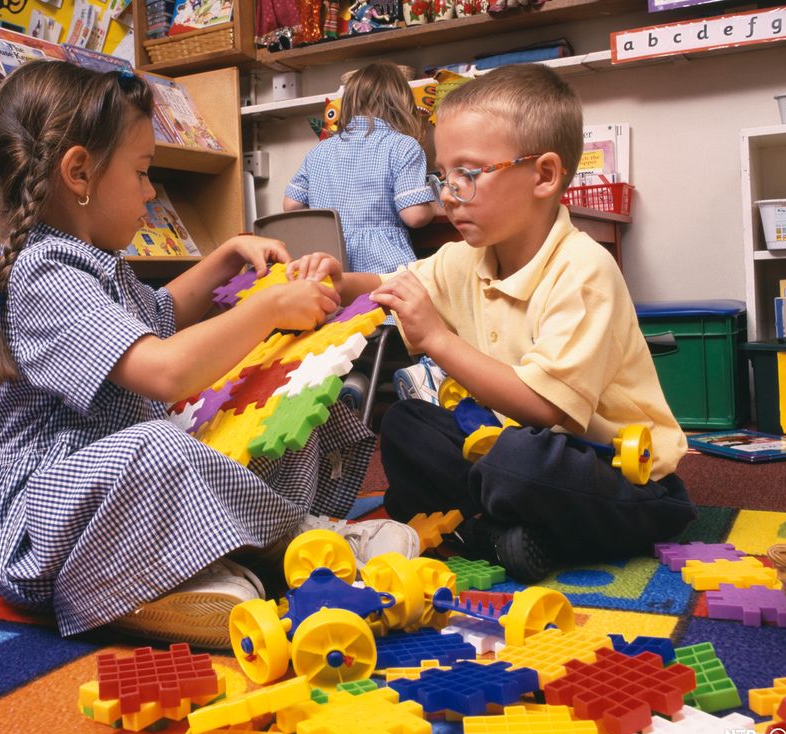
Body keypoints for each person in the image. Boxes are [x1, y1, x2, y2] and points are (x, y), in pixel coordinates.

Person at [0, 60, 418, 648]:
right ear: (79, 173)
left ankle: (210, 567)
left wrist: (227, 256)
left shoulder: (93, 262)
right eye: (141, 172)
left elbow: (160, 316)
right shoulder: (43, 273)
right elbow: (164, 370)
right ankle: (285, 543)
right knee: (159, 444)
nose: (149, 191)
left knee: (276, 406)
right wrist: (268, 309)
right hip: (47, 525)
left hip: (122, 504)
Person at [291, 63, 697, 584]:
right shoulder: (465, 257)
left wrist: (436, 338)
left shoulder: (583, 270)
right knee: (405, 424)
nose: (448, 194)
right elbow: (391, 283)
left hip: (616, 470)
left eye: (469, 174)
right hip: (505, 447)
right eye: (442, 176)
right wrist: (337, 280)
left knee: (521, 461)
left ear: (544, 176)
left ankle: (483, 528)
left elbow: (544, 408)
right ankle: (498, 532)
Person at [283, 62, 436, 275]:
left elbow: (291, 205)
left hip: (327, 263)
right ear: (402, 104)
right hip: (382, 265)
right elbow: (415, 216)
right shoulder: (403, 145)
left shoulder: (320, 150)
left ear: (348, 103)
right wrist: (433, 205)